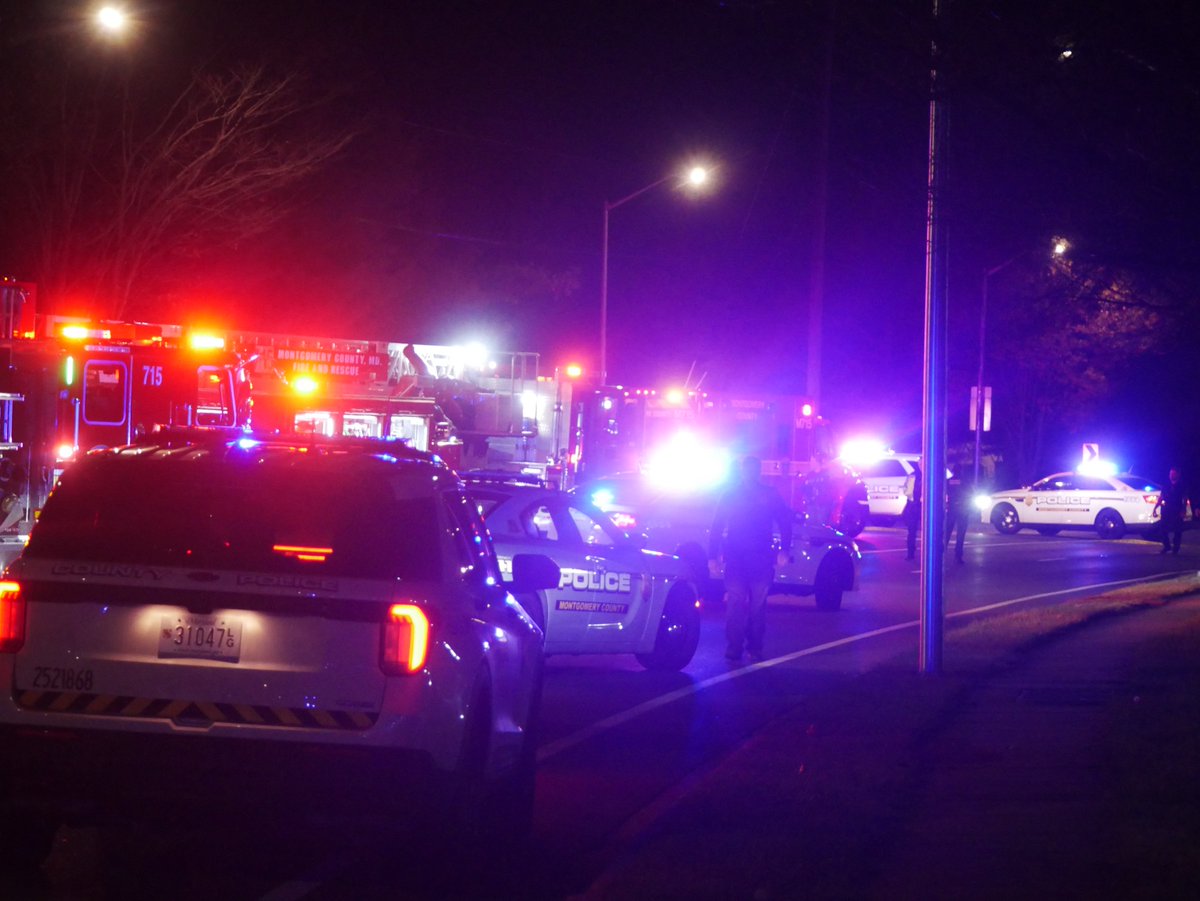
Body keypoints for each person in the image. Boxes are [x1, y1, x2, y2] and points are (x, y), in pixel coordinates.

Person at [708, 456, 794, 664]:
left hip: (746, 558)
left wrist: (713, 556)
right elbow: (785, 522)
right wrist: (783, 550)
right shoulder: (765, 494)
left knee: (739, 603)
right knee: (753, 604)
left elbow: (717, 526)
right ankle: (750, 647)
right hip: (754, 558)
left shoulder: (733, 495)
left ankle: (737, 647)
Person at [1155, 466, 1187, 555]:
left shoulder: (1181, 485)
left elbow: (1184, 498)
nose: (1171, 475)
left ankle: (1176, 548)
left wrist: (1183, 509)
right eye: (1170, 473)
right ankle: (1167, 546)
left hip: (1177, 509)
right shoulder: (1166, 485)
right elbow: (1161, 497)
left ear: (1178, 474)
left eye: (1173, 474)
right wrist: (1155, 508)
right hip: (1166, 509)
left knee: (1177, 530)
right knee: (1163, 528)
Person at [945, 465, 971, 563]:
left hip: (952, 508)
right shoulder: (965, 481)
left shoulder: (949, 481)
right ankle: (958, 554)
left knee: (947, 532)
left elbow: (946, 492)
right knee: (961, 533)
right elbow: (970, 493)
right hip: (963, 509)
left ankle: (943, 552)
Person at [903, 466, 922, 560]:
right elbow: (906, 489)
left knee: (926, 531)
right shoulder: (912, 476)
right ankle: (910, 553)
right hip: (913, 505)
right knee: (911, 531)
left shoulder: (929, 475)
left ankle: (924, 553)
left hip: (923, 506)